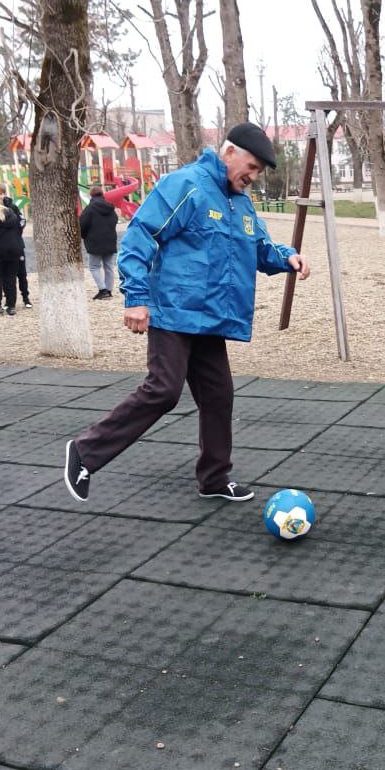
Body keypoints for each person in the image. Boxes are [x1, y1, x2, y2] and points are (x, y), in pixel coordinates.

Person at [64, 122, 310, 503]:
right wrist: (135, 297)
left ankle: (214, 478)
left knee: (218, 396)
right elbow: (140, 236)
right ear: (229, 152)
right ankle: (85, 451)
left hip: (210, 320)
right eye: (252, 167)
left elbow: (258, 247)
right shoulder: (186, 186)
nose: (253, 176)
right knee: (164, 390)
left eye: (259, 171)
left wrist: (287, 257)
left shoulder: (241, 203)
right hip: (174, 313)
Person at [0, 183, 32, 308]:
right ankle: (8, 299)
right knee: (4, 274)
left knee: (21, 273)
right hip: (0, 247)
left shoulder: (12, 206)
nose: (0, 196)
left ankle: (25, 297)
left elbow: (22, 221)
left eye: (1, 193)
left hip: (16, 245)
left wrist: (15, 233)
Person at [79, 184, 119, 299]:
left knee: (94, 266)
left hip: (94, 241)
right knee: (109, 267)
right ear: (102, 194)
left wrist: (84, 235)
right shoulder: (110, 208)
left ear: (91, 195)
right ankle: (109, 290)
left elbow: (82, 224)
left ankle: (102, 290)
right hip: (110, 240)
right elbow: (115, 220)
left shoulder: (89, 208)